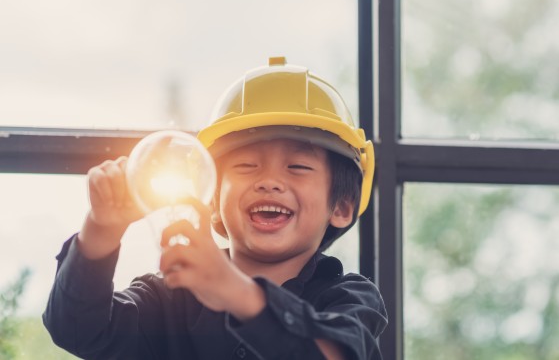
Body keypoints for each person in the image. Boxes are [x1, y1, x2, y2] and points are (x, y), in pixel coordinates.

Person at [43, 57, 387, 359]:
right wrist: (102, 229)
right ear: (213, 199)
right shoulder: (167, 298)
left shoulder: (350, 299)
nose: (269, 181)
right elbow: (77, 330)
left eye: (297, 167)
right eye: (246, 166)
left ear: (341, 206)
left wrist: (234, 290)